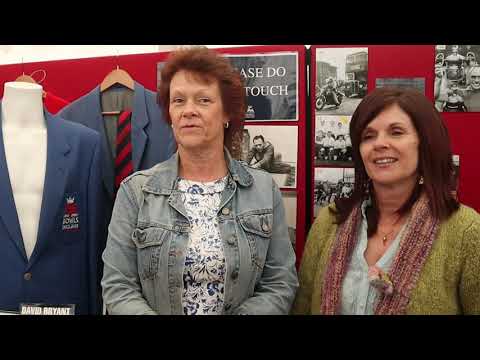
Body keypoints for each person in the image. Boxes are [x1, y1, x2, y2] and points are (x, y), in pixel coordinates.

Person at [101, 47, 298, 315]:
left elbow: (280, 282)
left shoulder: (263, 190)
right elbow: (118, 286)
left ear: (227, 113)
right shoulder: (136, 192)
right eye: (178, 100)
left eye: (203, 100)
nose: (188, 111)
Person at [293, 87, 480, 315]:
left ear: (426, 143)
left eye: (396, 132)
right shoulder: (330, 221)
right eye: (368, 136)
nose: (379, 143)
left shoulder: (466, 231)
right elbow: (301, 305)